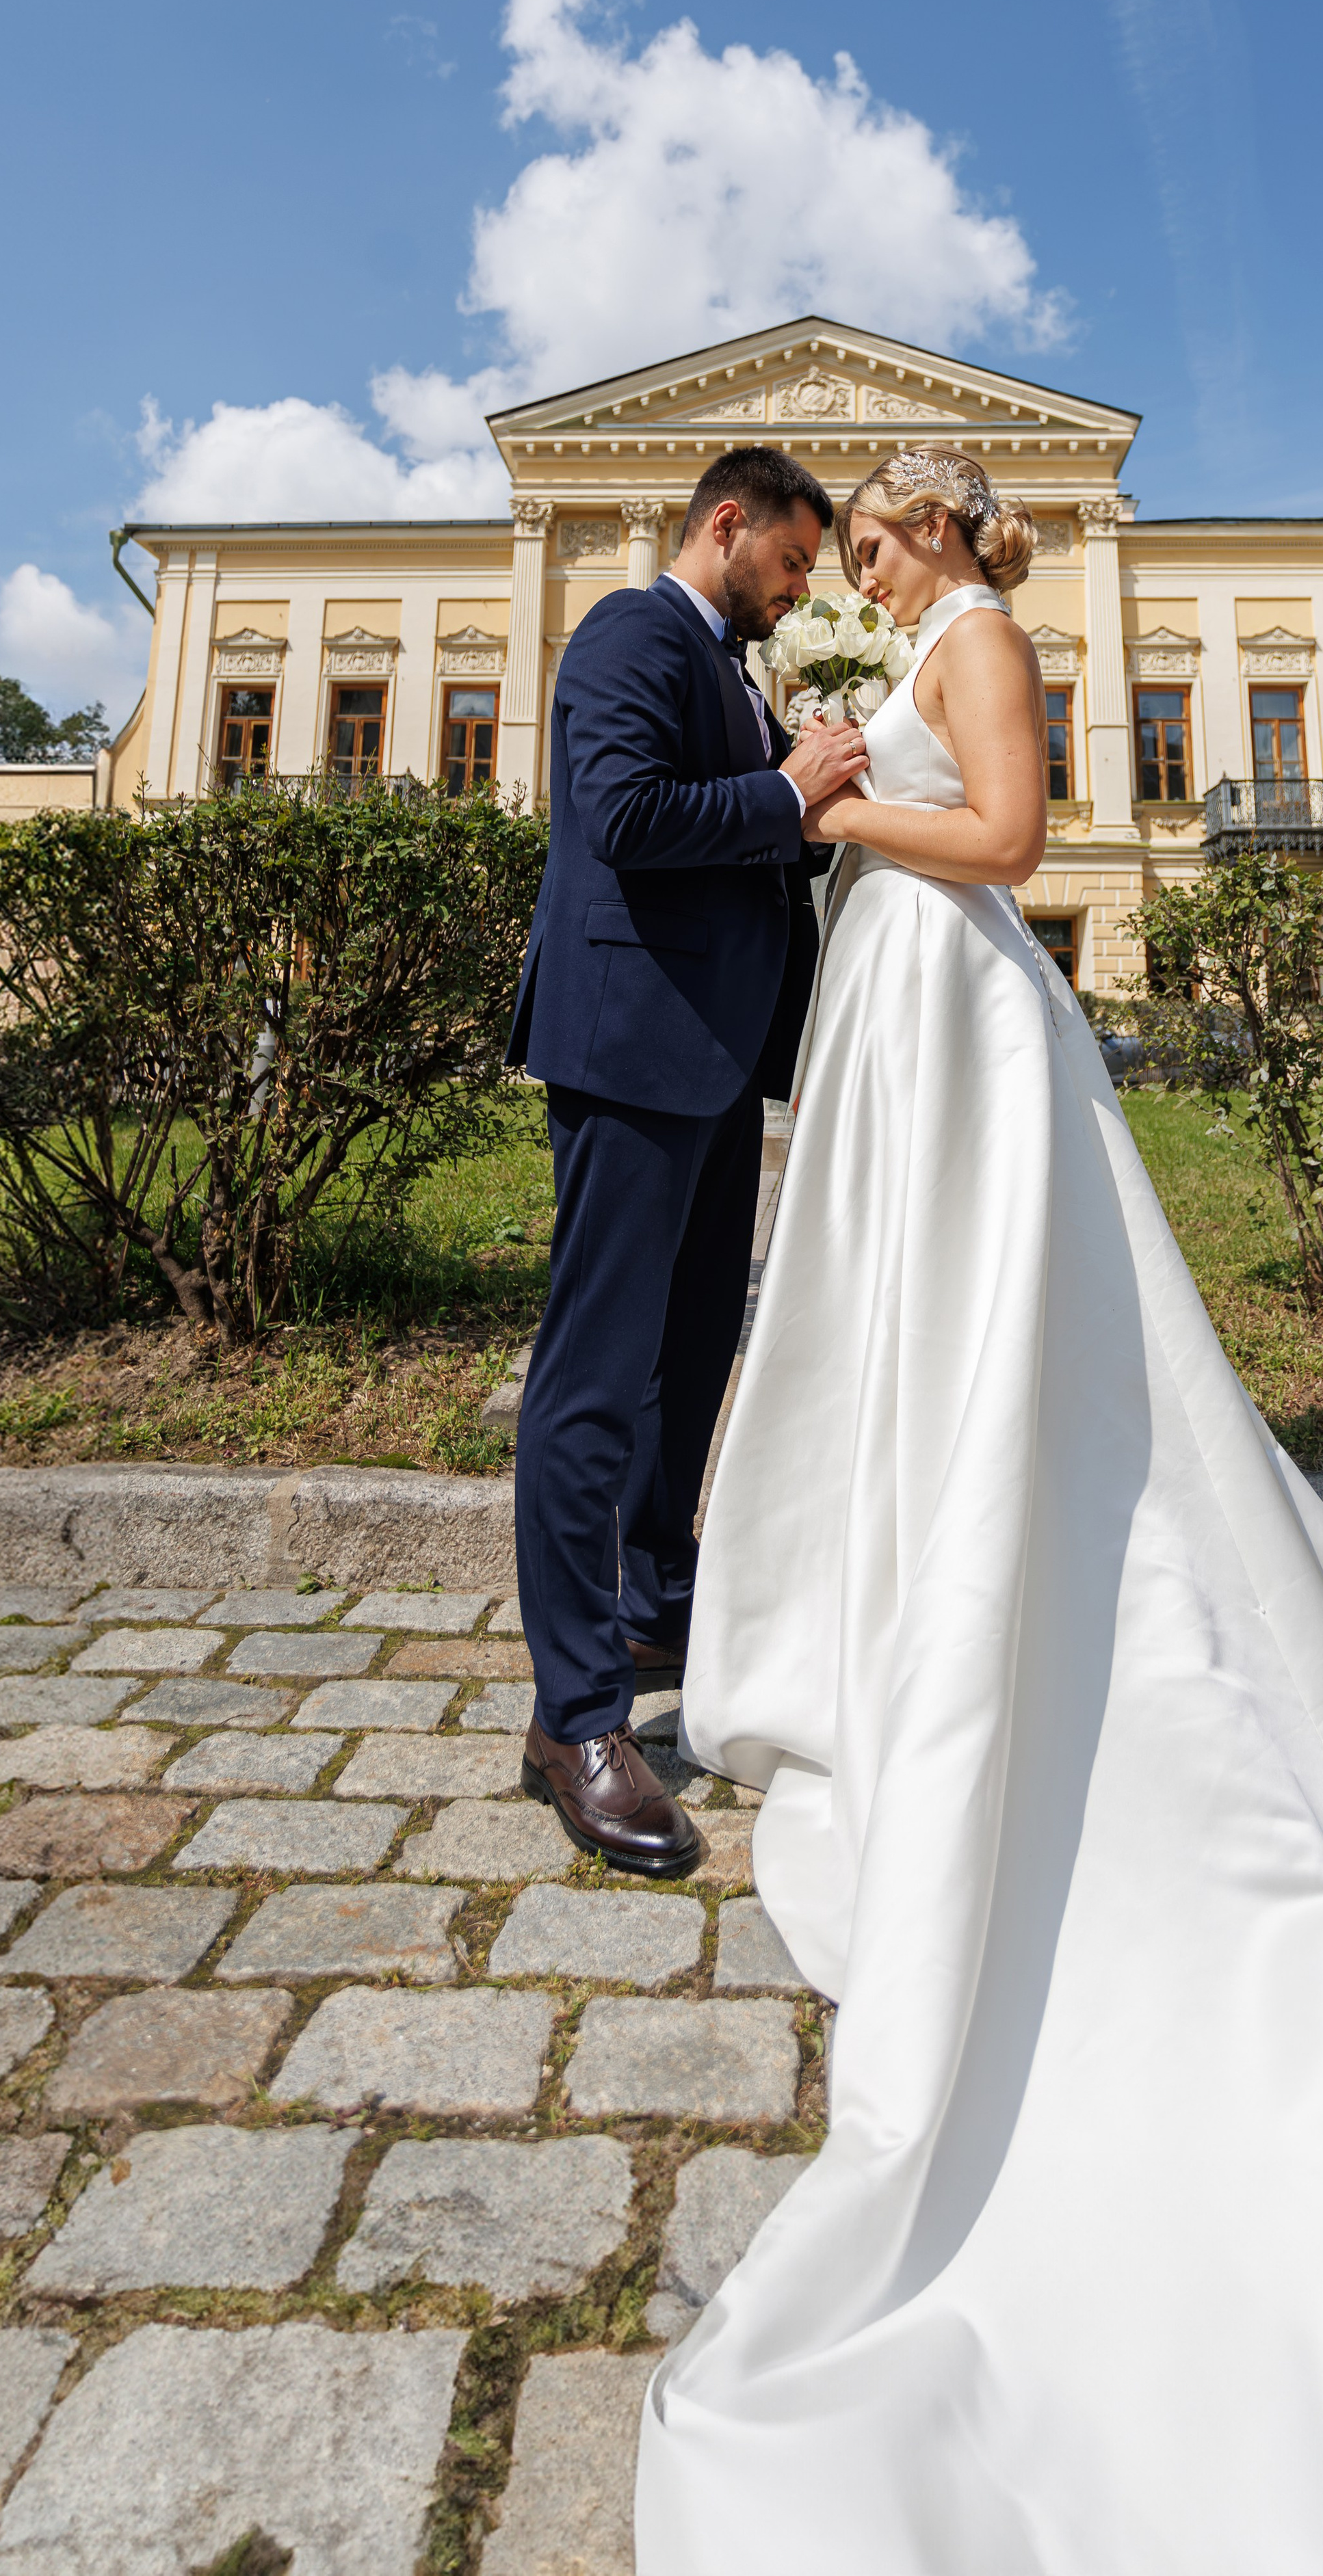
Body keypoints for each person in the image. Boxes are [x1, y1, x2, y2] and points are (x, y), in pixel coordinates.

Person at [636, 447, 1323, 2571]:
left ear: (942, 522)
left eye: (875, 527)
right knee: (911, 1334)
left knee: (1027, 1336)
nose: (853, 552)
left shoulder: (995, 637)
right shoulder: (918, 637)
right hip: (901, 1018)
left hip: (968, 1009)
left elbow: (1017, 844)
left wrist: (836, 807)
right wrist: (828, 794)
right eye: (838, 536)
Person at [503, 446, 866, 1878]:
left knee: (693, 1351)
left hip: (711, 1068)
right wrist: (784, 796)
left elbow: (736, 845)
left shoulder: (725, 661)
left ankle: (658, 1600)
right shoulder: (626, 631)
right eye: (789, 561)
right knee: (592, 1381)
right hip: (627, 1053)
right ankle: (574, 1718)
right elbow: (626, 818)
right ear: (728, 524)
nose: (796, 591)